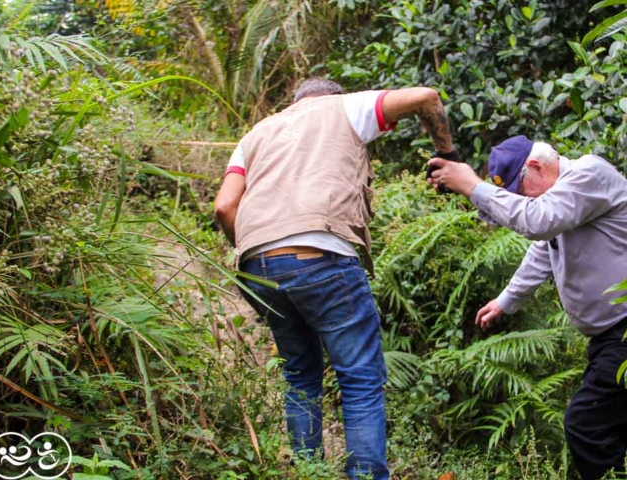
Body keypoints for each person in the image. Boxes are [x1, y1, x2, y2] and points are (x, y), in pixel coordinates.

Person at [214, 77, 455, 479]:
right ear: (333, 97)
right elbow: (426, 97)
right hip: (322, 255)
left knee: (300, 376)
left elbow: (224, 207)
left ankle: (309, 472)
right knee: (360, 379)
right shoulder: (343, 108)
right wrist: (446, 152)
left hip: (257, 264)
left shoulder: (255, 133)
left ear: (294, 102)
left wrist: (261, 251)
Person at [427, 136, 627, 480]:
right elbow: (543, 248)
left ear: (536, 166)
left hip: (623, 331)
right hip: (608, 337)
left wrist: (472, 186)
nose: (523, 201)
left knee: (585, 425)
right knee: (614, 425)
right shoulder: (561, 201)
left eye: (522, 190)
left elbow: (537, 222)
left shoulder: (588, 174)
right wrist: (506, 301)